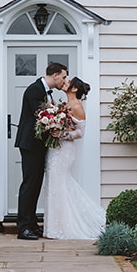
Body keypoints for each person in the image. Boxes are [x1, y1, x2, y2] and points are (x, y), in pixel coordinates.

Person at [43, 76, 106, 241]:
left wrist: (62, 134)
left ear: (75, 89)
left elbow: (80, 132)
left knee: (60, 184)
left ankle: (61, 228)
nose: (65, 83)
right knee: (55, 185)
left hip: (64, 150)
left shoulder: (77, 106)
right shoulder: (64, 105)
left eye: (68, 82)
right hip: (55, 149)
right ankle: (55, 227)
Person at [14, 61, 67, 239]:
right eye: (63, 77)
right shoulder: (34, 90)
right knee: (29, 185)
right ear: (55, 75)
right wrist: (56, 121)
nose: (64, 81)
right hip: (30, 144)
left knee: (35, 185)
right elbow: (41, 115)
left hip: (39, 145)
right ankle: (23, 228)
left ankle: (32, 224)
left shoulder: (45, 92)